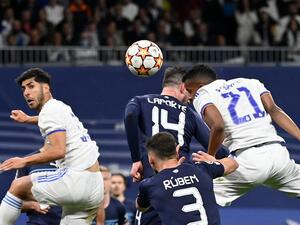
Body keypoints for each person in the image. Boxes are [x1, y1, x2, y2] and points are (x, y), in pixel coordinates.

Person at [183, 64, 300, 207]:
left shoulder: (203, 93)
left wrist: (211, 159)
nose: (188, 96)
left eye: (189, 90)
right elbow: (274, 110)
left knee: (189, 193)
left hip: (247, 161)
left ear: (200, 85)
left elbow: (218, 126)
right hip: (279, 156)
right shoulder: (251, 82)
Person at [124, 67, 228, 225]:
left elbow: (130, 115)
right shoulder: (189, 113)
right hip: (184, 187)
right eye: (190, 92)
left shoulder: (140, 101)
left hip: (154, 188)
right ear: (182, 87)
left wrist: (136, 159)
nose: (191, 98)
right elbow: (221, 151)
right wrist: (212, 158)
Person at [0, 68, 104, 225]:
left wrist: (24, 161)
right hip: (95, 186)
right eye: (24, 89)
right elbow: (48, 119)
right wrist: (28, 119)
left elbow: (57, 150)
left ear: (46, 87)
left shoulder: (50, 111)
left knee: (18, 186)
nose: (26, 92)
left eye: (31, 86)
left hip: (77, 180)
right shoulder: (60, 107)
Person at [136, 132, 238, 225]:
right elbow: (233, 164)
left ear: (151, 159)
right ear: (177, 150)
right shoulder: (202, 169)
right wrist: (213, 160)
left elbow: (141, 207)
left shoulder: (149, 185)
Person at [15, 153, 62, 225]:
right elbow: (14, 202)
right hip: (38, 222)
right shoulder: (28, 161)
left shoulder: (76, 160)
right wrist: (32, 205)